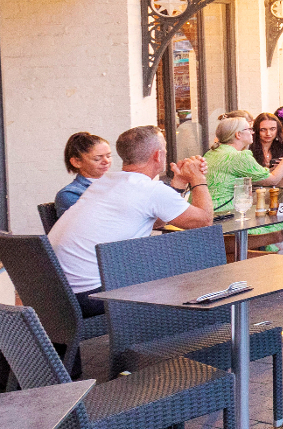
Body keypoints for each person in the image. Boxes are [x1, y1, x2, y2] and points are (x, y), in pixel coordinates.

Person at [47, 126, 213, 318]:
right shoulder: (149, 190)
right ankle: (186, 335)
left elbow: (155, 222)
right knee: (189, 264)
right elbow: (204, 221)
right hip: (91, 296)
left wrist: (180, 182)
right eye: (165, 149)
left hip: (56, 295)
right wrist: (198, 178)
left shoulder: (104, 182)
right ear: (158, 155)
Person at [203, 116, 283, 250]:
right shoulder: (239, 156)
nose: (252, 132)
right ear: (238, 135)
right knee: (271, 218)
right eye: (249, 129)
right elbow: (273, 180)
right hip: (226, 212)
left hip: (206, 209)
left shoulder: (212, 153)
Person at [54, 132, 112, 217]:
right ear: (76, 162)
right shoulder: (70, 194)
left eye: (109, 156)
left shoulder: (116, 183)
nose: (106, 161)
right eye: (97, 159)